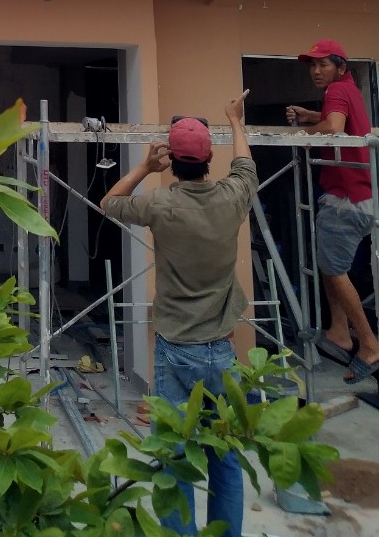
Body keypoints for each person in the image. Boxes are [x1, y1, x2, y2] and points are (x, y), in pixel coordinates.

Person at [100, 92, 256, 537]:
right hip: (221, 351)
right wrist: (235, 120)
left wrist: (146, 168)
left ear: (173, 161)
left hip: (174, 350)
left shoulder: (161, 204)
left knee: (173, 454)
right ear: (209, 159)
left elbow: (109, 203)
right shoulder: (233, 197)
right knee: (226, 457)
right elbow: (245, 164)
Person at [286, 38, 378, 381]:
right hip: (358, 196)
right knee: (328, 264)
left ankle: (369, 343)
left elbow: (335, 127)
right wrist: (314, 116)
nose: (315, 70)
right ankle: (339, 331)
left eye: (323, 64)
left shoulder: (336, 90)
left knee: (335, 271)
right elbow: (340, 119)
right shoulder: (347, 88)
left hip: (345, 199)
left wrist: (302, 134)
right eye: (312, 65)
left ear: (341, 67)